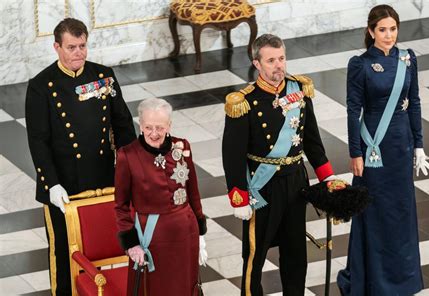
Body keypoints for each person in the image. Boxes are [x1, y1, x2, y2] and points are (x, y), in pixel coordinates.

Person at [25, 18, 136, 295]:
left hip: (103, 177)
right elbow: (38, 142)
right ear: (57, 47)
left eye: (82, 46)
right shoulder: (41, 86)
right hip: (65, 185)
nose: (78, 53)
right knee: (64, 253)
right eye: (71, 47)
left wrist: (134, 169)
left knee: (108, 245)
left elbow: (123, 127)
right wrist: (51, 184)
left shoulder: (104, 76)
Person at [222, 34, 336, 296]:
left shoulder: (299, 89)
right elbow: (232, 154)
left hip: (296, 181)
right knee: (255, 255)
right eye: (271, 60)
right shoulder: (244, 102)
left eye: (281, 58)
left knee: (295, 252)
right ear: (257, 64)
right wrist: (238, 196)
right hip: (263, 188)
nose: (278, 66)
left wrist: (327, 177)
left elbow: (312, 141)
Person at [337, 5, 429, 295]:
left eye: (392, 29)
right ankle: (374, 281)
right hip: (373, 149)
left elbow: (413, 102)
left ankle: (404, 280)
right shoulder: (361, 64)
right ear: (371, 32)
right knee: (376, 213)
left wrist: (419, 145)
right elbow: (353, 111)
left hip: (401, 147)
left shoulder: (408, 59)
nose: (388, 35)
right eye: (382, 30)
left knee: (401, 213)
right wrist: (355, 152)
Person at [114, 98, 208, 295]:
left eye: (160, 127)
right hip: (153, 236)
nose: (154, 134)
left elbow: (193, 191)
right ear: (140, 125)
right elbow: (121, 206)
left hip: (186, 233)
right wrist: (131, 244)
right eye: (148, 127)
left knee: (185, 287)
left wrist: (200, 233)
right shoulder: (127, 155)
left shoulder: (182, 147)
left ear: (169, 125)